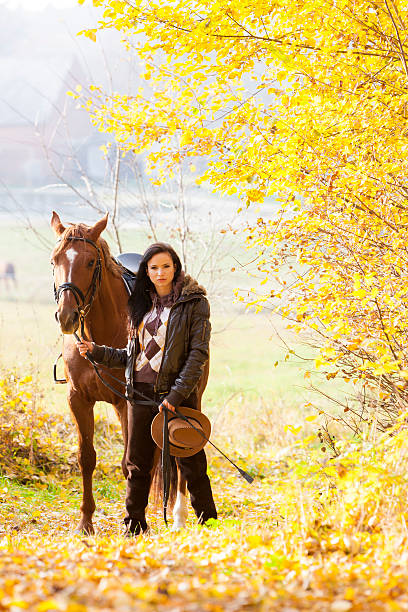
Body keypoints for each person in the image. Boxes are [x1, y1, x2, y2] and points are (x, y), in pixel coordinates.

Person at [76, 242, 217, 536]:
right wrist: (97, 351)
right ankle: (134, 526)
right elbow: (132, 356)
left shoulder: (194, 303)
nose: (160, 273)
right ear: (146, 272)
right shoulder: (142, 304)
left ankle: (210, 526)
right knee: (137, 464)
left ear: (175, 268)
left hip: (177, 394)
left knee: (191, 461)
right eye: (153, 268)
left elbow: (197, 356)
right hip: (140, 392)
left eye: (166, 266)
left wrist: (176, 396)